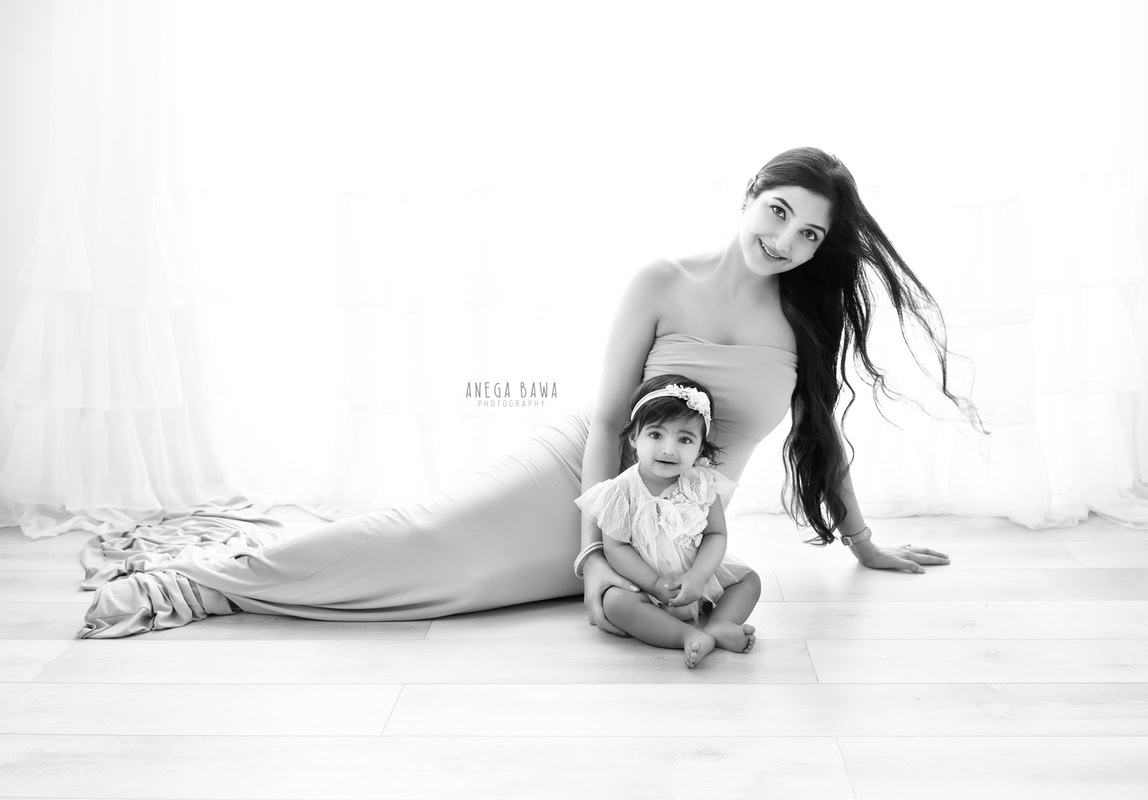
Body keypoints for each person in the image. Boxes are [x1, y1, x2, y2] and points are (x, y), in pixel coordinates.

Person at [78, 146, 971, 639]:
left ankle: (241, 579)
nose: (785, 239)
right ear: (748, 196)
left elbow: (826, 438)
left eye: (809, 234)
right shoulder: (662, 280)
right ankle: (201, 585)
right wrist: (591, 547)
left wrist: (864, 543)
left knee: (457, 589)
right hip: (585, 479)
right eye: (778, 211)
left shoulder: (802, 327)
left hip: (671, 527)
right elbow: (610, 415)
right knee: (429, 543)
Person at [577, 375, 759, 668]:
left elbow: (716, 535)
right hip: (647, 588)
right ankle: (685, 635)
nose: (669, 449)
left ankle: (721, 624)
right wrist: (655, 584)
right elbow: (615, 548)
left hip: (697, 579)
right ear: (634, 437)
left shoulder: (702, 484)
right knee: (615, 603)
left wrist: (699, 576)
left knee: (749, 581)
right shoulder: (620, 490)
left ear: (700, 448)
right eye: (656, 435)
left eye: (684, 439)